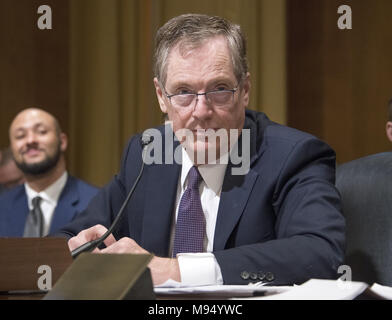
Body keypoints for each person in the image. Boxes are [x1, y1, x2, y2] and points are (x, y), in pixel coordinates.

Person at [58, 14, 345, 286]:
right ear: (161, 96)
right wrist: (81, 247)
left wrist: (174, 270)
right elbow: (68, 238)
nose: (201, 111)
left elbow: (320, 254)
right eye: (183, 92)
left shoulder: (292, 156)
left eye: (219, 89)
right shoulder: (146, 154)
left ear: (245, 89)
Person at [0, 108, 99, 237]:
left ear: (62, 141)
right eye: (20, 136)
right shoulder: (2, 205)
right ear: (13, 149)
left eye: (41, 132)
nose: (30, 140)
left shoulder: (96, 203)